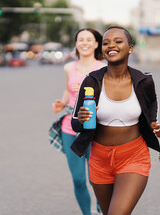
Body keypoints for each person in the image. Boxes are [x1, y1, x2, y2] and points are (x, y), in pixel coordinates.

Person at [70, 26, 160, 215]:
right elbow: (75, 123)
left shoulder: (143, 81)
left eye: (118, 41)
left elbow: (151, 116)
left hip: (133, 156)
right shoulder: (91, 81)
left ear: (130, 48)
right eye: (106, 43)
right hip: (100, 159)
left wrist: (156, 127)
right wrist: (81, 118)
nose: (111, 45)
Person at [51, 28, 105, 215]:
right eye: (80, 39)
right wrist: (62, 102)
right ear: (76, 44)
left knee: (96, 178)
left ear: (96, 44)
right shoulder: (68, 68)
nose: (84, 43)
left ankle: (102, 204)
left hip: (96, 130)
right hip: (70, 128)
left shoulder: (102, 69)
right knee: (79, 179)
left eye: (89, 40)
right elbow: (68, 90)